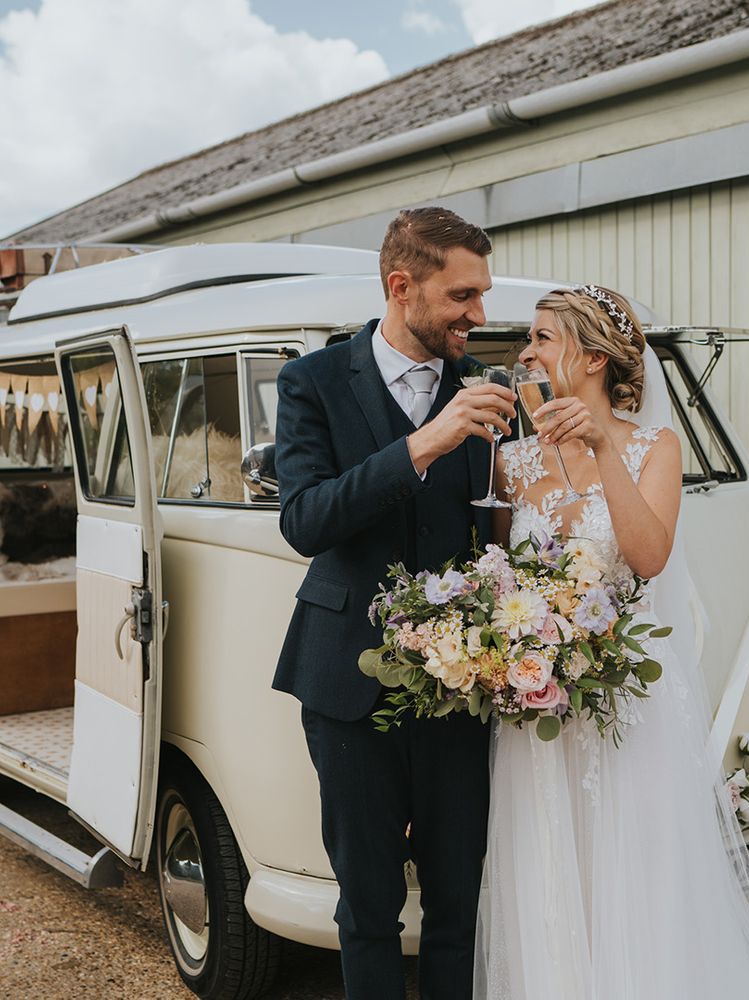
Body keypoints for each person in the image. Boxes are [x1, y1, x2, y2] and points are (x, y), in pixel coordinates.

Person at [474, 285, 749, 999]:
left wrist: (600, 448)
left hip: (627, 702)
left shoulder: (655, 445)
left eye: (540, 337)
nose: (525, 353)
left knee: (633, 868)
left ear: (593, 357)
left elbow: (649, 554)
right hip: (540, 708)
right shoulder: (512, 463)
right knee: (548, 868)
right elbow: (503, 577)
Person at [273, 207, 517, 1000]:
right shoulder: (310, 382)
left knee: (456, 903)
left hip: (459, 688)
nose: (479, 316)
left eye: (482, 295)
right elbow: (305, 521)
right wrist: (423, 443)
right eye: (463, 295)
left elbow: (498, 534)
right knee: (369, 904)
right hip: (346, 685)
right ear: (401, 286)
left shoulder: (487, 389)